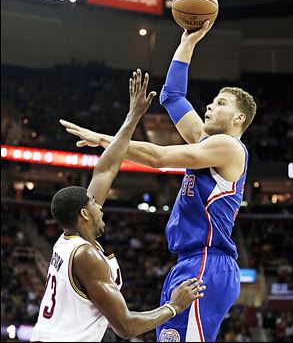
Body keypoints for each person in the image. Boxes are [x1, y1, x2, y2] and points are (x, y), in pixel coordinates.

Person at [60, 22, 257, 342]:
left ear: (239, 119)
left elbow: (159, 158)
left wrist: (105, 140)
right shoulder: (205, 142)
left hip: (208, 262)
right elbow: (173, 95)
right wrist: (188, 42)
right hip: (192, 262)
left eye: (221, 103)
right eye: (212, 100)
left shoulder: (229, 148)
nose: (209, 105)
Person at [30, 68, 206, 343]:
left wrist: (133, 115)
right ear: (85, 214)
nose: (101, 206)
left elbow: (106, 169)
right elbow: (125, 325)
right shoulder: (86, 256)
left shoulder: (70, 239)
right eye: (95, 204)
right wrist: (174, 306)